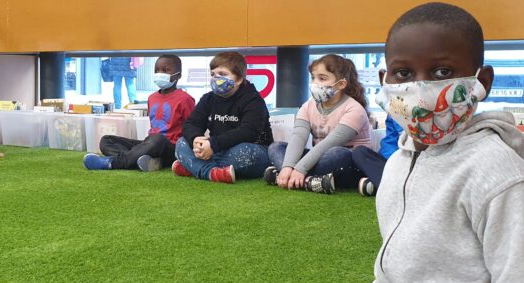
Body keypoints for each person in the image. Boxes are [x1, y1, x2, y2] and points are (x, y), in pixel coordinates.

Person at [263, 2, 524, 283]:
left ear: (482, 82)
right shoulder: (398, 163)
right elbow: (390, 273)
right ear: (385, 80)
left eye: (442, 73)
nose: (421, 88)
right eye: (404, 74)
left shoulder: (502, 177)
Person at [264, 55, 371, 192]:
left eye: (322, 78)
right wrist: (287, 166)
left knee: (337, 153)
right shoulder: (308, 106)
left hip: (348, 164)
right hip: (319, 159)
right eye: (313, 77)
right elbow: (298, 137)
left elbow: (330, 143)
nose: (315, 83)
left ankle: (291, 178)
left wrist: (301, 168)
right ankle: (306, 180)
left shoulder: (354, 109)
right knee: (276, 147)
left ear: (341, 84)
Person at [174, 51, 272, 184]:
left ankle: (193, 166)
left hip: (253, 150)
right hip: (215, 149)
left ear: (239, 79)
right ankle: (211, 172)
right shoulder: (208, 99)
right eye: (213, 74)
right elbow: (191, 123)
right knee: (182, 143)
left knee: (245, 152)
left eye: (223, 74)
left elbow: (248, 132)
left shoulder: (253, 100)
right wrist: (196, 139)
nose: (216, 78)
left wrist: (213, 145)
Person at [84, 54, 194, 171]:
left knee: (158, 139)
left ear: (178, 75)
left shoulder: (185, 99)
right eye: (157, 70)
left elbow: (192, 129)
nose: (160, 73)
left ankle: (113, 163)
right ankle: (147, 161)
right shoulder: (152, 98)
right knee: (106, 141)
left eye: (166, 70)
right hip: (150, 143)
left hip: (172, 148)